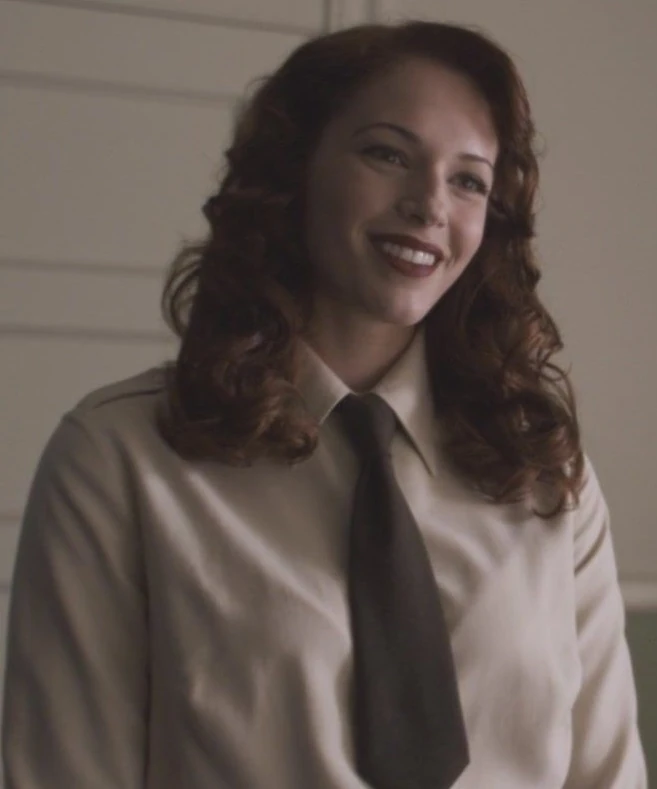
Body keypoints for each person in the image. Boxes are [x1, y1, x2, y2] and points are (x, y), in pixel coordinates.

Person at [1, 19, 647, 789]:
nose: (428, 205)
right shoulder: (118, 458)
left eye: (468, 180)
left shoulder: (544, 473)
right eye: (387, 154)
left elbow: (606, 772)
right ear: (295, 168)